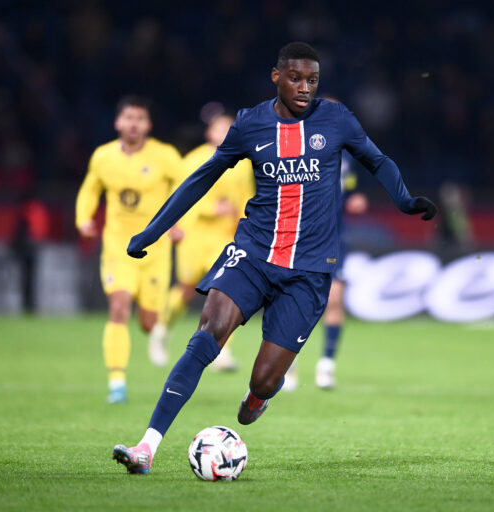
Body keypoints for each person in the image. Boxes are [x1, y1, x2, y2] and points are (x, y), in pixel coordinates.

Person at [112, 42, 437, 474]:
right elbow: (201, 179)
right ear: (276, 77)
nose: (305, 88)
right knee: (207, 337)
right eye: (296, 78)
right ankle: (146, 448)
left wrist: (405, 200)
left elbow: (377, 161)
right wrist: (151, 232)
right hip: (253, 254)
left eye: (313, 80)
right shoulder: (250, 124)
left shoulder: (336, 119)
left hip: (308, 272)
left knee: (264, 379)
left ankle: (257, 398)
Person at [76, 95, 183, 404]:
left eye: (140, 118)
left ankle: (158, 329)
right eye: (129, 118)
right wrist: (83, 220)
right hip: (118, 248)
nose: (134, 124)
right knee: (119, 306)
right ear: (118, 122)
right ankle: (116, 381)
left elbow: (188, 189)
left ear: (148, 125)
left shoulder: (165, 156)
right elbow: (90, 190)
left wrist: (178, 222)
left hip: (155, 252)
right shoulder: (103, 156)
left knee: (148, 323)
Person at [166, 112, 255, 371]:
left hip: (224, 237)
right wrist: (176, 223)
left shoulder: (243, 163)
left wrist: (245, 228)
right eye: (220, 127)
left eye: (230, 128)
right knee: (185, 288)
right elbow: (181, 195)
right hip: (194, 234)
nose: (225, 132)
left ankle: (223, 351)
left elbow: (246, 197)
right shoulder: (193, 159)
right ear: (209, 132)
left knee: (226, 292)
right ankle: (163, 326)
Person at [283, 148, 368, 391]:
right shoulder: (296, 149)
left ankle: (326, 366)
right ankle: (288, 366)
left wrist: (355, 197)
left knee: (334, 300)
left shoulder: (346, 156)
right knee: (295, 303)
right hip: (299, 238)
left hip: (333, 239)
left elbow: (350, 186)